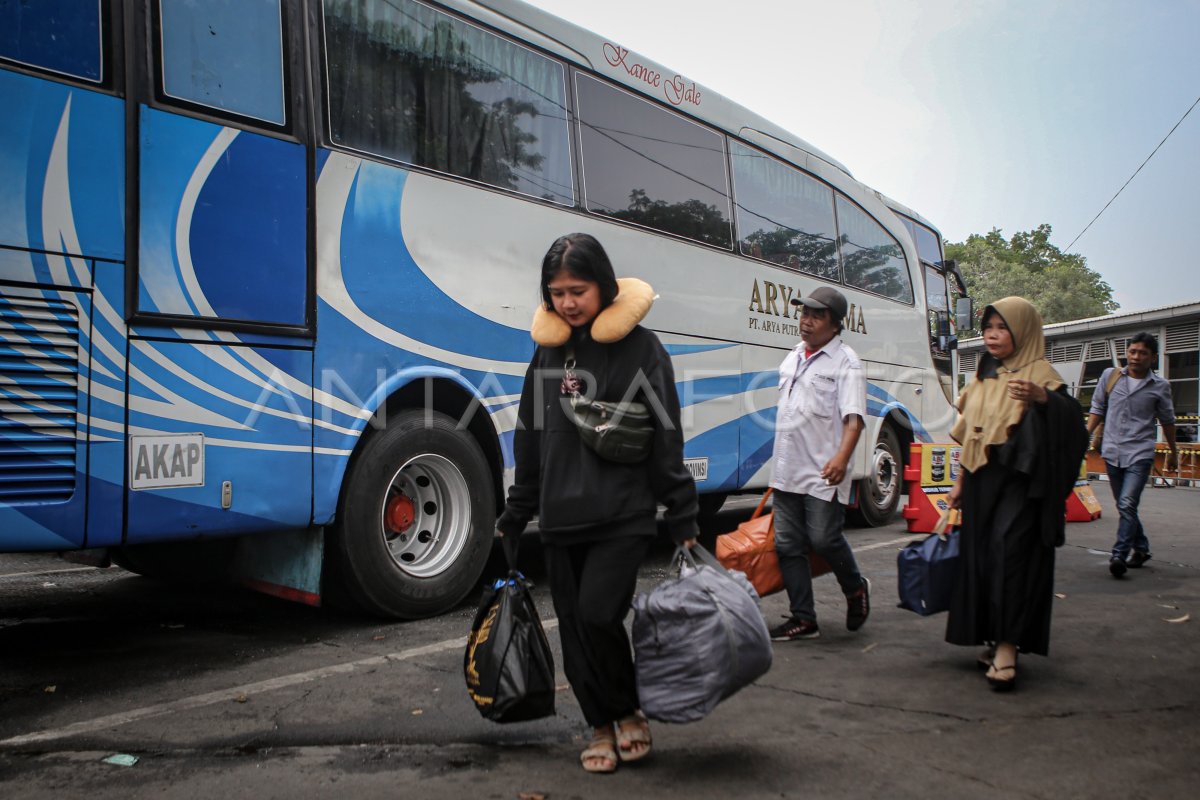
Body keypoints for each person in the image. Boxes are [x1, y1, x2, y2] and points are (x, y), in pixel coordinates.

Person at [495, 233, 699, 774]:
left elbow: (664, 431)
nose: (567, 302)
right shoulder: (548, 353)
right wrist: (516, 513)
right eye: (557, 292)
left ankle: (628, 708)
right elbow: (530, 437)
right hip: (560, 517)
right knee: (575, 626)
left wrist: (681, 512)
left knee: (598, 614)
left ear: (604, 286)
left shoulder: (642, 348)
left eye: (577, 290)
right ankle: (601, 724)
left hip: (623, 514)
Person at [946, 297, 1087, 691]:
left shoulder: (1042, 374)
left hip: (1022, 486)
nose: (992, 334)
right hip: (980, 484)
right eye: (988, 326)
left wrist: (1043, 400)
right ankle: (994, 639)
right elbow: (968, 433)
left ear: (1022, 331)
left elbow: (1073, 427)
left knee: (1011, 557)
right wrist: (958, 483)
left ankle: (1009, 646)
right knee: (984, 561)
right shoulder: (983, 374)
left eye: (1002, 327)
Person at [767, 286, 871, 642]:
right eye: (803, 314)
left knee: (824, 540)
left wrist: (842, 459)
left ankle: (855, 588)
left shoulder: (846, 363)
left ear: (835, 324)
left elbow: (854, 420)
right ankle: (803, 618)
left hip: (823, 471)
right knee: (787, 545)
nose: (806, 321)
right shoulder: (793, 356)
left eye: (815, 315)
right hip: (786, 470)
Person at [1085, 332, 1179, 577]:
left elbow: (1168, 421)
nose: (1136, 357)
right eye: (1133, 351)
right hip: (1112, 451)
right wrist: (1085, 436)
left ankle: (1119, 554)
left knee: (1127, 503)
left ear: (1153, 357)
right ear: (1127, 352)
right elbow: (1097, 408)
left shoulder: (1160, 387)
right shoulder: (1111, 376)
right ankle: (1142, 547)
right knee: (1124, 505)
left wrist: (1173, 452)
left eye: (1143, 353)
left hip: (1140, 452)